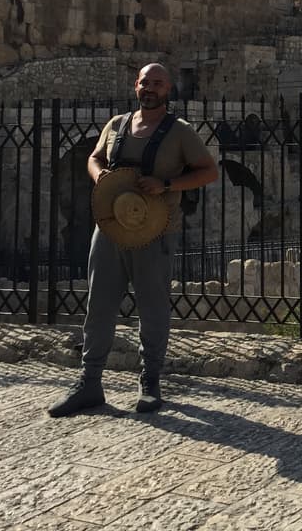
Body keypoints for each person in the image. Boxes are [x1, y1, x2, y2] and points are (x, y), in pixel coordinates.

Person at [48, 63, 218, 417]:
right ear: (136, 86)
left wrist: (166, 184)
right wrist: (99, 176)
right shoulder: (116, 125)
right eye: (145, 82)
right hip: (111, 228)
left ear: (168, 89)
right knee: (99, 305)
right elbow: (94, 158)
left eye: (158, 83)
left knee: (152, 307)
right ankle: (90, 382)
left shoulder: (180, 132)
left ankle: (150, 382)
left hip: (155, 232)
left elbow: (208, 171)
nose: (150, 88)